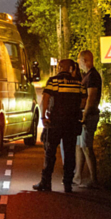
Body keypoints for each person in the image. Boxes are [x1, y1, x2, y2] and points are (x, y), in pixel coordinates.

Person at [33, 58, 85, 193]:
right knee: (69, 153)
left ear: (59, 68)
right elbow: (84, 100)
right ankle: (67, 183)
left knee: (50, 152)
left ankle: (46, 182)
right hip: (71, 123)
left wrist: (43, 116)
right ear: (71, 68)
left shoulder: (54, 81)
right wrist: (74, 111)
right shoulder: (79, 83)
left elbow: (45, 98)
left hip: (55, 122)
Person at [74, 49, 102, 188]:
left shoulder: (92, 77)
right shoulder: (88, 76)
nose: (79, 64)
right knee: (79, 146)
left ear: (85, 61)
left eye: (80, 61)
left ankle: (93, 179)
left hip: (89, 116)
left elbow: (91, 97)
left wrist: (84, 115)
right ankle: (77, 176)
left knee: (86, 146)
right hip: (84, 115)